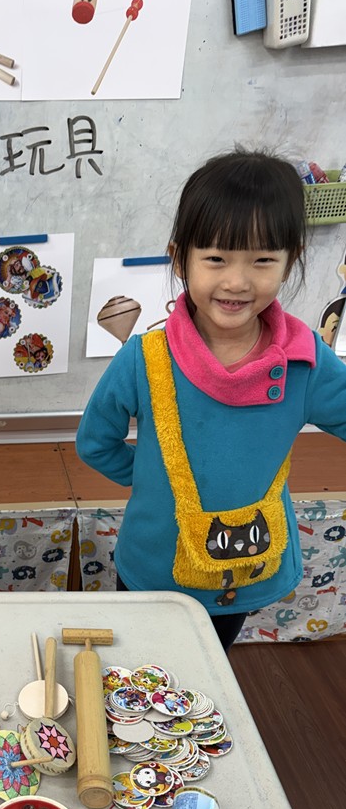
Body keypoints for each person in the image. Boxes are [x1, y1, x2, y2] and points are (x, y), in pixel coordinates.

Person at [76, 149, 346, 651]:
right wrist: (154, 480)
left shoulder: (306, 360)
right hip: (152, 565)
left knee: (206, 671)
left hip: (243, 571)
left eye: (263, 260)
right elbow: (95, 442)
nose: (237, 281)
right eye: (216, 258)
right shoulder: (145, 358)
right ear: (180, 257)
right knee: (135, 668)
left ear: (290, 260)